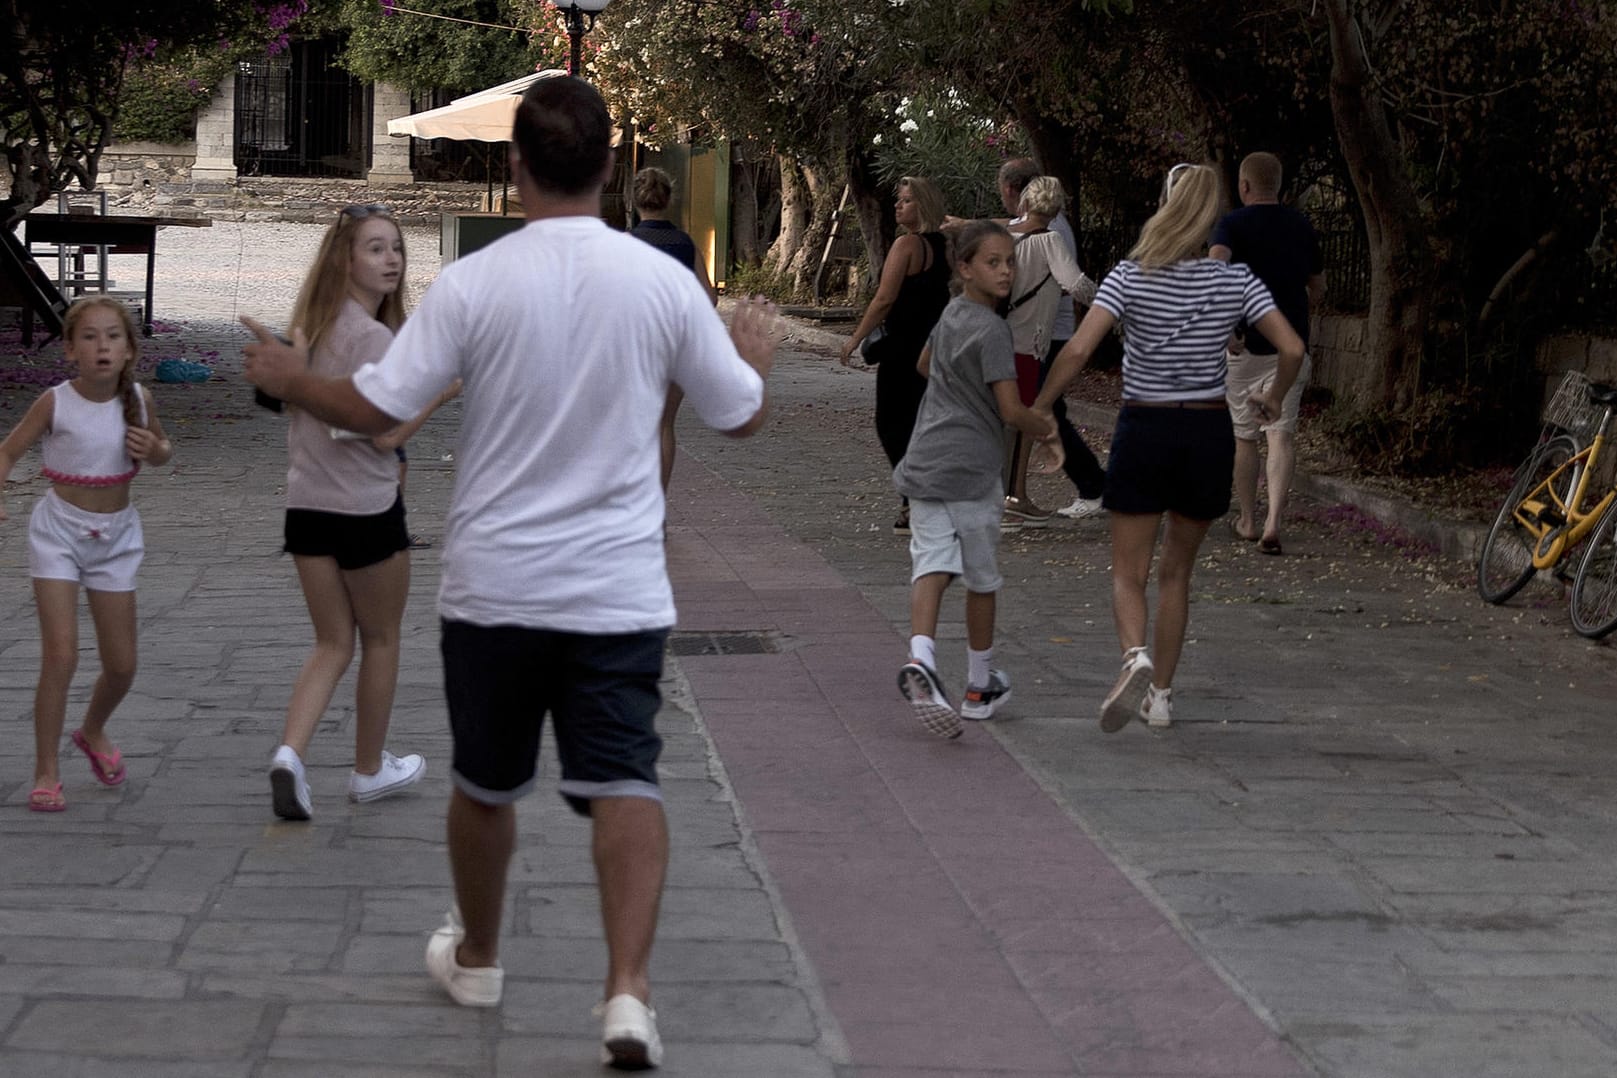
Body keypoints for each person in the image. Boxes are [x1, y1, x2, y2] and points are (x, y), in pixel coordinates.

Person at [242, 76, 779, 1071]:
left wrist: (289, 381)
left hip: (496, 587)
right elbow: (738, 415)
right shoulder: (660, 281)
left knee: (486, 786)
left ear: (516, 167)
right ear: (611, 167)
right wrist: (755, 355)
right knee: (625, 778)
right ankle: (627, 991)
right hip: (616, 587)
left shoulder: (476, 286)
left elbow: (373, 407)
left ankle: (481, 956)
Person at [1037, 164, 1304, 731]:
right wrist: (1275, 396)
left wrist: (1041, 408)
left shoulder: (1129, 276)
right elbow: (1293, 347)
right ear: (1210, 219)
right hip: (1207, 434)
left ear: (1162, 206)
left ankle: (1135, 656)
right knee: (1176, 574)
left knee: (1126, 571)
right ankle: (1160, 697)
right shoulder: (1236, 282)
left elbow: (1080, 350)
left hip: (1146, 426)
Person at [266, 203, 455, 822]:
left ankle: (290, 755)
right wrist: (437, 394)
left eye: (396, 248)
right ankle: (369, 769)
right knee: (381, 639)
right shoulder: (378, 340)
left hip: (306, 506)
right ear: (344, 259)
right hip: (367, 510)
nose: (391, 259)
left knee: (329, 642)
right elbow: (382, 434)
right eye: (375, 248)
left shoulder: (307, 332)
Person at [0, 297, 173, 812]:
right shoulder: (55, 401)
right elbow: (8, 450)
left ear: (128, 351)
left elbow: (164, 452)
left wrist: (156, 451)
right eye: (91, 337)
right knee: (62, 655)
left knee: (123, 666)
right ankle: (46, 771)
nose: (103, 346)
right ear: (71, 349)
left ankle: (92, 730)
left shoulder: (139, 400)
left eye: (113, 337)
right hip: (58, 533)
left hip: (117, 537)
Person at [894, 221, 1062, 739]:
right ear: (964, 268)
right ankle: (977, 685)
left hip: (925, 458)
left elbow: (924, 365)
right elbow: (1012, 410)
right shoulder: (994, 330)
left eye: (1010, 261)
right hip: (972, 468)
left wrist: (956, 388)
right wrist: (1048, 427)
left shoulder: (951, 315)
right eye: (994, 262)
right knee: (981, 577)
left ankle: (921, 656)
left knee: (931, 563)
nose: (1006, 270)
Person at [1210, 151, 1326, 555]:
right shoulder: (1302, 225)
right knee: (1281, 435)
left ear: (1244, 186)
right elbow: (1319, 285)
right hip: (1290, 347)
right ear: (1279, 187)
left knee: (1245, 438)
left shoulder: (1231, 225)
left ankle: (1247, 518)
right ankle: (1275, 520)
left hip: (1244, 345)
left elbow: (1215, 270)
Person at [994, 159, 1109, 524]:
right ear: (1056, 208)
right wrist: (1110, 302)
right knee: (1024, 418)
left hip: (996, 335)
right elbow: (1074, 284)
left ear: (1025, 201)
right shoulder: (1050, 240)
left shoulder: (1004, 235)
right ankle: (1014, 497)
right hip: (1030, 341)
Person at [839, 176, 951, 535]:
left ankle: (915, 500)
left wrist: (854, 338)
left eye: (906, 201)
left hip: (903, 349)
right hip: (934, 346)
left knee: (891, 424)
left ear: (923, 206)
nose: (897, 206)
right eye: (898, 200)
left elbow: (884, 299)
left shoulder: (907, 245)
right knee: (921, 424)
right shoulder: (948, 246)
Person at [629, 165, 718, 494]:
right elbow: (709, 296)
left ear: (634, 199)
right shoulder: (684, 243)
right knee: (664, 425)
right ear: (668, 199)